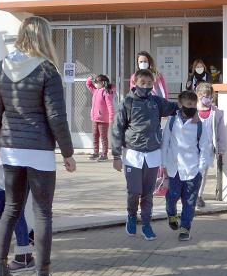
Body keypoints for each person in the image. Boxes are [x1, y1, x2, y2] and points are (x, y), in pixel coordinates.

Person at [0, 16, 77, 276]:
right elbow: (56, 117)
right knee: (42, 213)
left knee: (11, 209)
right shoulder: (46, 70)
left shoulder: (2, 67)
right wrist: (68, 153)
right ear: (45, 37)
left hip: (11, 148)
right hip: (38, 150)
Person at [112, 69, 179, 241]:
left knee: (148, 193)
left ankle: (147, 224)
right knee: (134, 191)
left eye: (149, 84)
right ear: (135, 83)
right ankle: (132, 216)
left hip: (152, 154)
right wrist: (116, 156)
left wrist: (193, 103)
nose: (146, 87)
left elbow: (175, 107)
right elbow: (117, 129)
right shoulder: (127, 103)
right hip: (133, 154)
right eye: (143, 83)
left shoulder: (156, 102)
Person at [160, 91, 213, 241]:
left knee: (189, 202)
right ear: (180, 104)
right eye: (188, 104)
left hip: (192, 170)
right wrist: (163, 164)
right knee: (172, 196)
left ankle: (185, 228)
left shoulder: (199, 125)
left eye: (193, 105)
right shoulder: (171, 121)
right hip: (174, 169)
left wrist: (201, 168)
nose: (191, 107)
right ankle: (171, 213)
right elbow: (165, 144)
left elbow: (204, 147)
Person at [0, 157, 36, 272]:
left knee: (16, 214)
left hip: (17, 167)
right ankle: (29, 234)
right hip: (6, 171)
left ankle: (24, 258)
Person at [194, 82, 227, 208]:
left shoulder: (216, 113)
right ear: (198, 95)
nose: (206, 98)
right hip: (192, 147)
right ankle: (189, 194)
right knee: (191, 171)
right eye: (203, 95)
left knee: (202, 173)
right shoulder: (193, 110)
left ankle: (198, 195)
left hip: (207, 148)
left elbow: (221, 132)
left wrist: (221, 148)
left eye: (209, 96)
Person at [85, 74, 115, 161]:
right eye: (95, 82)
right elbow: (88, 84)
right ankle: (95, 153)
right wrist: (91, 78)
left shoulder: (106, 92)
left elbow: (110, 106)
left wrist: (111, 118)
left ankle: (104, 154)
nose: (95, 84)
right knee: (95, 136)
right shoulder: (95, 91)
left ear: (103, 83)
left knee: (103, 137)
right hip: (95, 118)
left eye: (97, 82)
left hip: (103, 120)